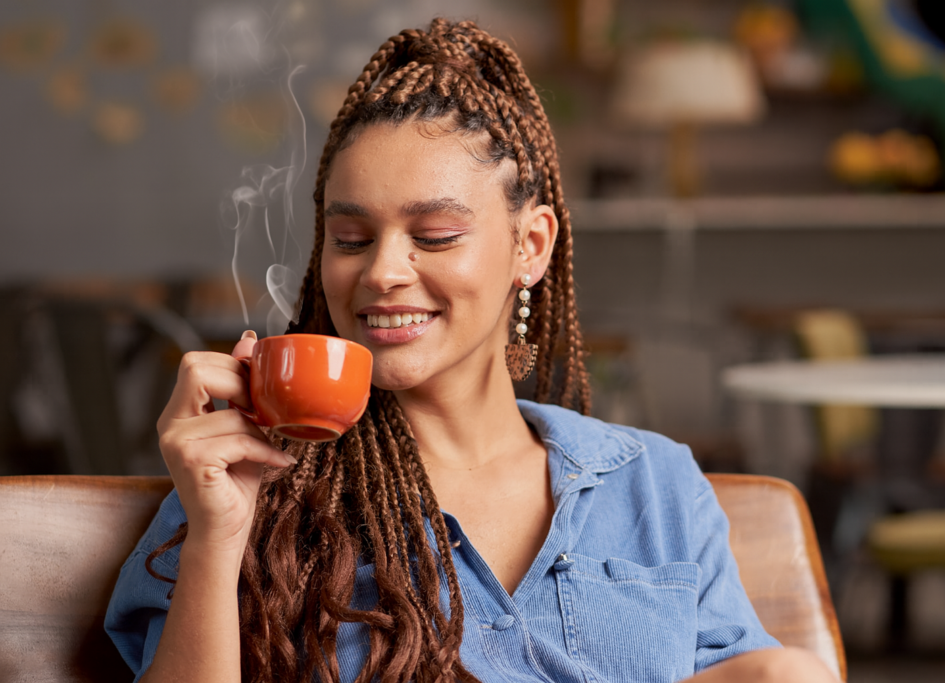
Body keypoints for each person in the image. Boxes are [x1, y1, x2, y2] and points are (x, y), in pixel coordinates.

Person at [105, 18, 838, 683]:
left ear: (531, 245)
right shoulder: (255, 487)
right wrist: (217, 533)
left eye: (435, 236)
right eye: (351, 238)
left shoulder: (652, 482)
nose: (381, 271)